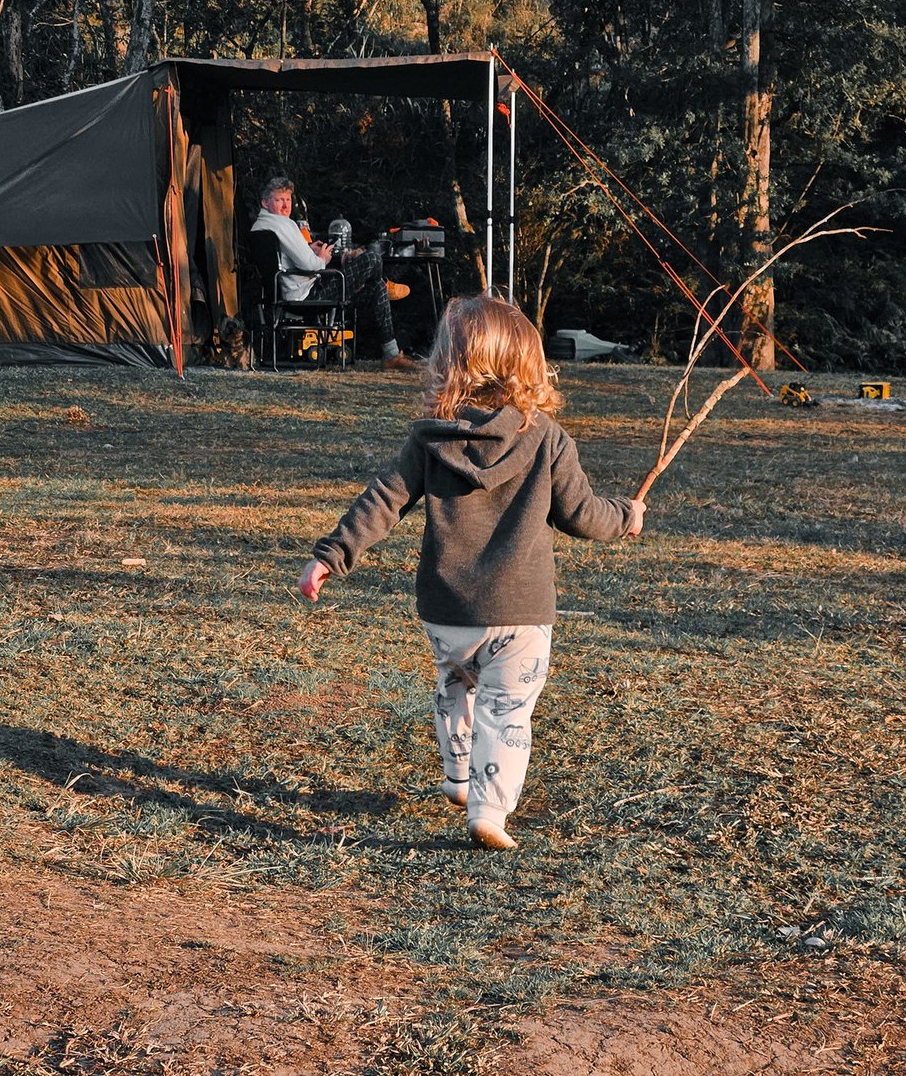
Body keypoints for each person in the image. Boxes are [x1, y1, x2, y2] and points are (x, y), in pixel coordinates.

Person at [297, 293, 645, 849]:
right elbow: (583, 516)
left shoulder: (430, 438)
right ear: (528, 364)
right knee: (507, 709)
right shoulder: (548, 439)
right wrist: (627, 516)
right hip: (520, 613)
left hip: (446, 610)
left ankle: (458, 778)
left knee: (456, 686)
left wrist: (330, 555)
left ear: (448, 364)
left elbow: (383, 500)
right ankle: (488, 810)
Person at [251, 175, 416, 372]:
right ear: (265, 202)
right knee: (372, 259)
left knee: (377, 288)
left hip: (287, 294)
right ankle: (384, 287)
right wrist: (323, 257)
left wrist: (309, 247)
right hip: (308, 297)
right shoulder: (283, 224)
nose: (286, 206)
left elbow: (283, 259)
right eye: (279, 200)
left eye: (288, 200)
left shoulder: (260, 227)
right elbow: (311, 265)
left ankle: (391, 354)